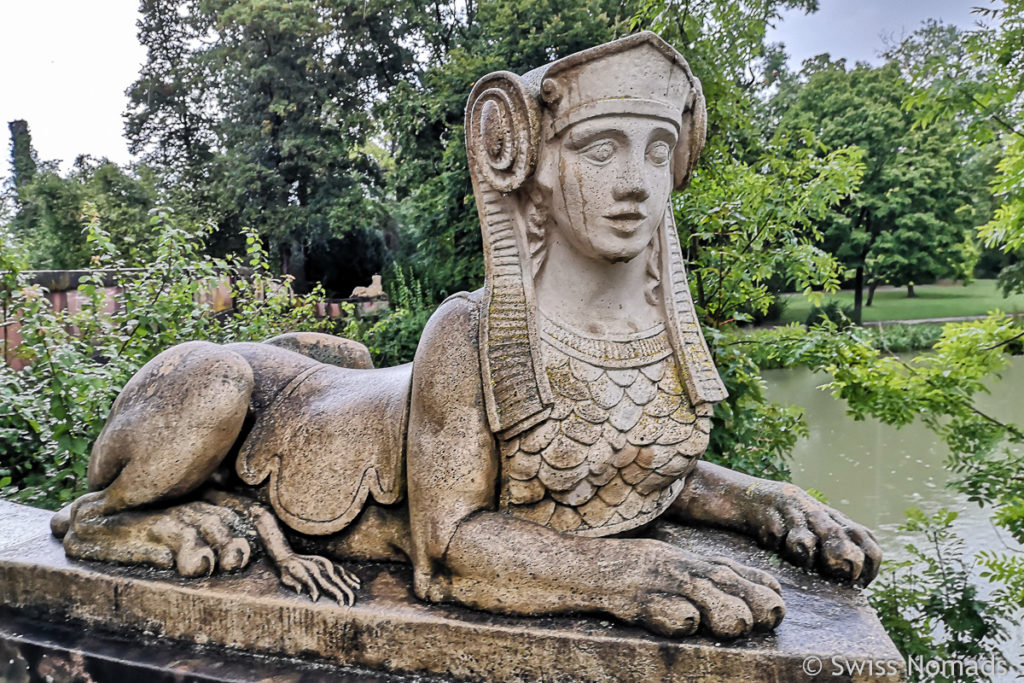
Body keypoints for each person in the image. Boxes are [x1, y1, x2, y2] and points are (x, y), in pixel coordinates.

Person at [53, 32, 880, 640]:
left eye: (658, 149)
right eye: (600, 147)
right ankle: (109, 520)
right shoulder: (468, 331)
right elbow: (447, 551)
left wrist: (772, 504)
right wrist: (630, 572)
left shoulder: (646, 334)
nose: (636, 182)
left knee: (341, 356)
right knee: (219, 382)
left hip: (333, 392)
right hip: (238, 398)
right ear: (535, 165)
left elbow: (623, 466)